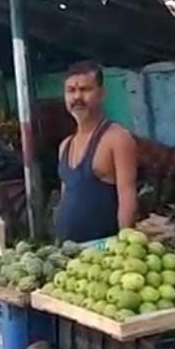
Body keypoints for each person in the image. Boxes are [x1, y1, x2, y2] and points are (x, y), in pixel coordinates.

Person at [54, 61, 138, 243]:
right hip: (70, 253)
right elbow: (65, 195)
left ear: (101, 94)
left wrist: (125, 245)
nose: (77, 97)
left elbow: (127, 195)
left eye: (85, 89)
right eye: (70, 90)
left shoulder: (117, 138)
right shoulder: (65, 145)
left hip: (104, 254)